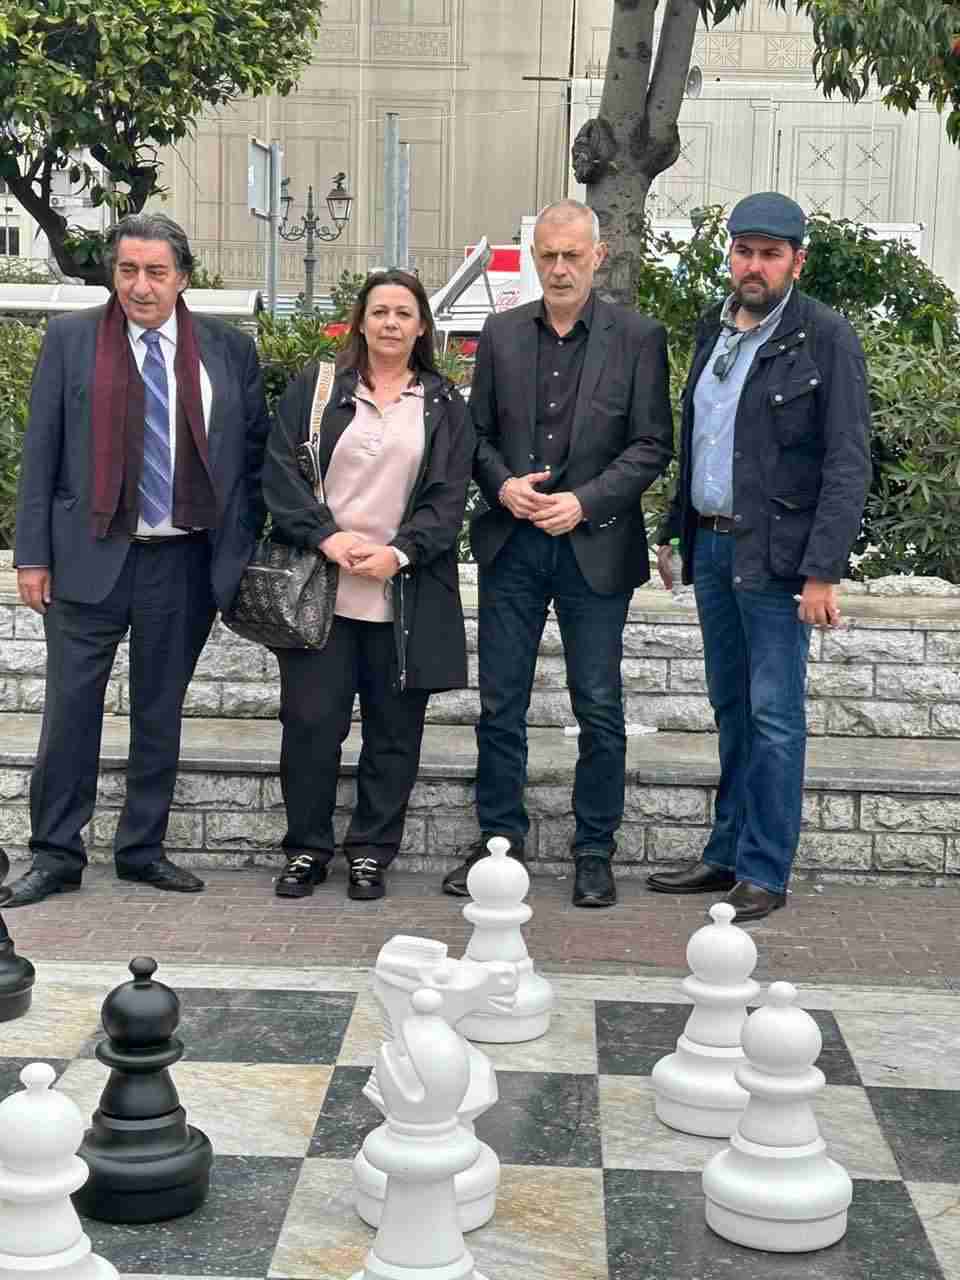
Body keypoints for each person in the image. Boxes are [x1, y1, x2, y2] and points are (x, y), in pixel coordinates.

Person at [9, 212, 270, 907]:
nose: (140, 286)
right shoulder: (70, 340)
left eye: (156, 271)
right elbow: (41, 452)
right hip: (87, 556)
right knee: (70, 712)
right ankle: (55, 854)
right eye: (128, 270)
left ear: (183, 277)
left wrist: (238, 548)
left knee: (159, 712)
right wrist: (31, 556)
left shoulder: (227, 349)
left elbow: (251, 458)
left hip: (182, 563)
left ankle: (142, 850)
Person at [441, 199, 673, 909]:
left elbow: (651, 444)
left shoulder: (639, 338)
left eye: (573, 254)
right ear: (534, 259)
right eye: (549, 255)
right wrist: (502, 486)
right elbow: (475, 435)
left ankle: (594, 850)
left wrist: (586, 501)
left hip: (593, 546)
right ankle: (497, 843)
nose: (561, 267)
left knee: (597, 705)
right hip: (513, 543)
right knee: (500, 703)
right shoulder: (502, 333)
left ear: (598, 256)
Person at [648, 192, 872, 922]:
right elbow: (703, 441)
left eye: (770, 254)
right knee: (732, 709)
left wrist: (823, 571)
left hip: (777, 559)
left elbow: (847, 461)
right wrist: (674, 531)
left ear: (797, 262)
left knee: (775, 716)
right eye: (744, 251)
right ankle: (726, 853)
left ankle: (764, 869)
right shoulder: (715, 330)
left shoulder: (824, 337)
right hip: (713, 546)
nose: (754, 266)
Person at [263, 269, 473, 902]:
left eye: (403, 313)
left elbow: (448, 499)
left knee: (393, 735)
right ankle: (306, 849)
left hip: (403, 594)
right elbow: (279, 474)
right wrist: (326, 538)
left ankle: (371, 852)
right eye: (379, 311)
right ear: (360, 320)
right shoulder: (319, 387)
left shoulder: (443, 403)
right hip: (320, 593)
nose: (390, 323)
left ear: (421, 326)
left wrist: (399, 553)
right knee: (310, 726)